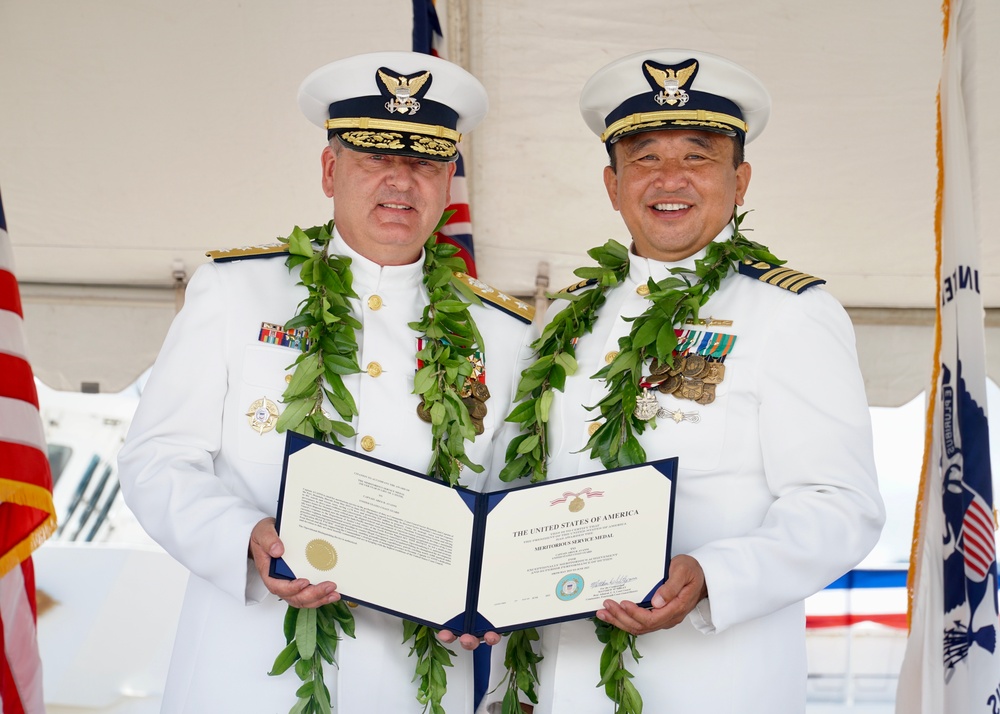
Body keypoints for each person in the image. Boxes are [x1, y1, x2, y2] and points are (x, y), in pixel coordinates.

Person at [118, 51, 535, 713]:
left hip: (415, 679)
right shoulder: (237, 290)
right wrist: (242, 538)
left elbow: (511, 499)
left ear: (449, 178)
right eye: (374, 157)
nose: (401, 180)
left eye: (426, 161)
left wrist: (500, 594)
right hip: (248, 667)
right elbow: (156, 458)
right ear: (329, 169)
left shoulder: (503, 335)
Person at [479, 49, 886, 714]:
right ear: (613, 185)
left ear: (741, 180)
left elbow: (841, 505)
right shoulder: (569, 320)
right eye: (644, 158)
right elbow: (518, 489)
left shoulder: (790, 313)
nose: (670, 178)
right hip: (557, 683)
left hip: (711, 686)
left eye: (698, 155)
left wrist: (713, 578)